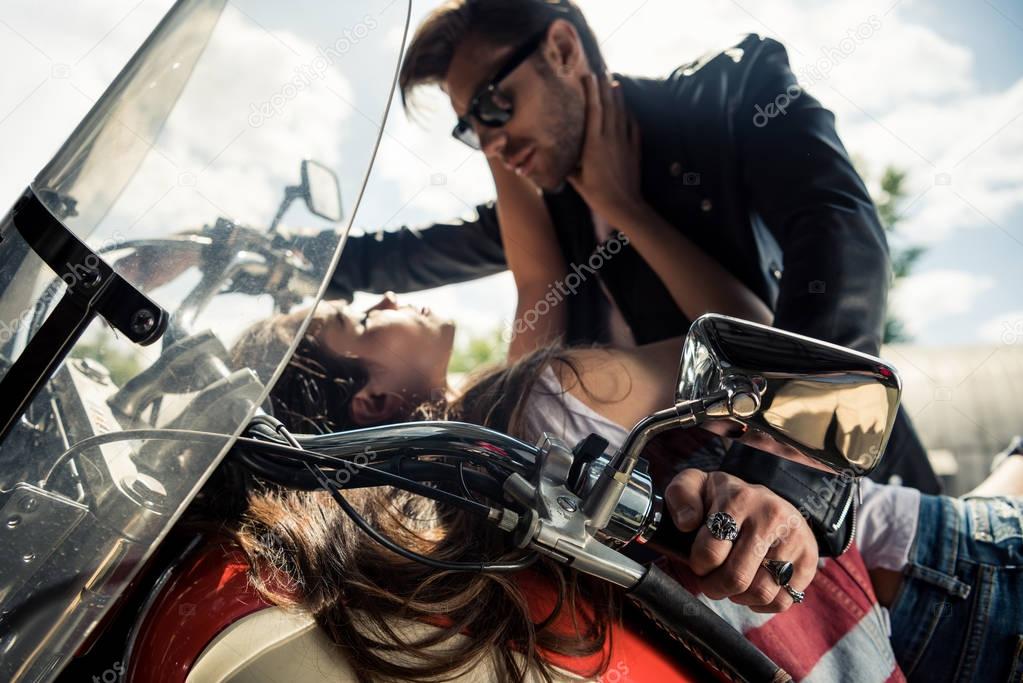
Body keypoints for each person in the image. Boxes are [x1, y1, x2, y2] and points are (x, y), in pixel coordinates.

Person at [305, 0, 940, 494]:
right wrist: (258, 253)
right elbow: (404, 255)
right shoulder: (544, 220)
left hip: (853, 498)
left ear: (560, 49)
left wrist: (793, 482)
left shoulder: (727, 96)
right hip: (689, 548)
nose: (491, 143)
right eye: (469, 129)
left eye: (497, 105)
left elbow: (840, 235)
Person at [223, 293, 1023, 682]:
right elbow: (741, 325)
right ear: (366, 404)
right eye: (362, 316)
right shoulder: (500, 440)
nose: (387, 297)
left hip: (949, 581)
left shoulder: (522, 401)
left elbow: (747, 354)